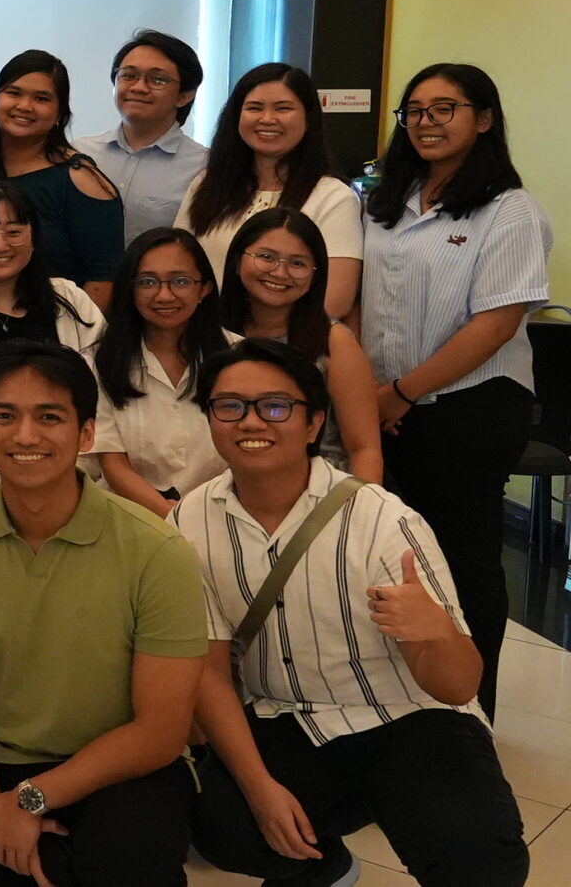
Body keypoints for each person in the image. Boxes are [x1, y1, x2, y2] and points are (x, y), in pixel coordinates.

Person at [177, 338, 528, 887]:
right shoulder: (190, 520)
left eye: (276, 406)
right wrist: (259, 788)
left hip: (407, 716)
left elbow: (459, 687)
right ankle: (326, 866)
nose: (252, 421)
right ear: (211, 418)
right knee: (225, 827)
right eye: (230, 406)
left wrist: (435, 632)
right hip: (287, 718)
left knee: (481, 858)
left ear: (314, 423)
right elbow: (210, 673)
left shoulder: (383, 519)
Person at [0, 339, 206, 887]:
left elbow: (161, 732)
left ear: (86, 434)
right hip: (1, 760)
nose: (25, 436)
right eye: (5, 416)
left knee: (126, 859)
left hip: (124, 765)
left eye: (49, 417)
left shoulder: (158, 551)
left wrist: (31, 799)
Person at [361, 62, 553, 714]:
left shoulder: (509, 210)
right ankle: (403, 705)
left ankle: (471, 713)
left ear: (485, 118)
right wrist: (374, 395)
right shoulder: (385, 201)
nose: (426, 122)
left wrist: (402, 393)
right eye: (414, 110)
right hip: (384, 402)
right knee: (393, 555)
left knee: (461, 561)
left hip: (470, 407)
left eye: (445, 108)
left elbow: (495, 324)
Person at [179, 62, 362, 320]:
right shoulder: (206, 183)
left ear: (308, 119)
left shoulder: (333, 197)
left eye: (283, 108)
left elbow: (334, 301)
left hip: (284, 342)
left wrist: (254, 334)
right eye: (254, 108)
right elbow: (178, 265)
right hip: (203, 335)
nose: (267, 119)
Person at [215, 206, 384, 482]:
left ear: (315, 276)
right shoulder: (211, 333)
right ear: (236, 261)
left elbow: (364, 448)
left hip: (321, 489)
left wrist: (360, 507)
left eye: (298, 263)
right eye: (266, 257)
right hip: (223, 486)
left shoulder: (334, 341)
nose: (280, 272)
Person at [0, 49, 124, 304]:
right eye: (13, 93)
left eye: (41, 98)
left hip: (53, 322)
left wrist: (70, 328)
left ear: (60, 113)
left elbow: (104, 279)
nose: (24, 106)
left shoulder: (81, 179)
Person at [92, 227, 233, 514]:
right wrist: (173, 519)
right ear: (130, 290)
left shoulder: (239, 357)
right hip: (130, 515)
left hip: (223, 510)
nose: (164, 295)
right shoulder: (98, 361)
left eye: (180, 281)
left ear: (204, 288)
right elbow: (113, 463)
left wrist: (202, 517)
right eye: (148, 282)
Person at [0, 181, 106, 388]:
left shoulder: (71, 298)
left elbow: (104, 383)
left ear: (34, 237)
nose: (0, 245)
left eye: (13, 232)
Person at [73, 29, 209, 246]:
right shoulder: (80, 153)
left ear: (184, 96)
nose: (139, 87)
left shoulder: (203, 167)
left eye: (158, 79)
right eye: (128, 75)